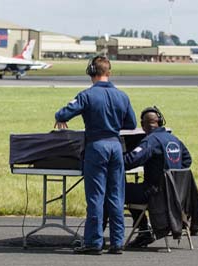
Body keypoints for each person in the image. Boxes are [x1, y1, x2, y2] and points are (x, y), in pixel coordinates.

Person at [54, 56, 137, 255]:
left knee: (96, 197)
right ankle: (117, 242)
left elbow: (64, 114)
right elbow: (131, 124)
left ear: (91, 72)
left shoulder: (86, 95)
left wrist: (59, 117)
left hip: (97, 147)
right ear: (109, 72)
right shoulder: (122, 96)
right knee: (116, 196)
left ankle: (93, 241)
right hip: (116, 146)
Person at [124, 106, 192, 248]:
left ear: (143, 125)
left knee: (116, 189)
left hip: (156, 194)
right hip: (177, 195)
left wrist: (113, 161)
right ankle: (143, 232)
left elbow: (130, 161)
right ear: (160, 122)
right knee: (133, 189)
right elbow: (187, 161)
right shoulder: (174, 139)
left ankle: (143, 232)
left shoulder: (151, 141)